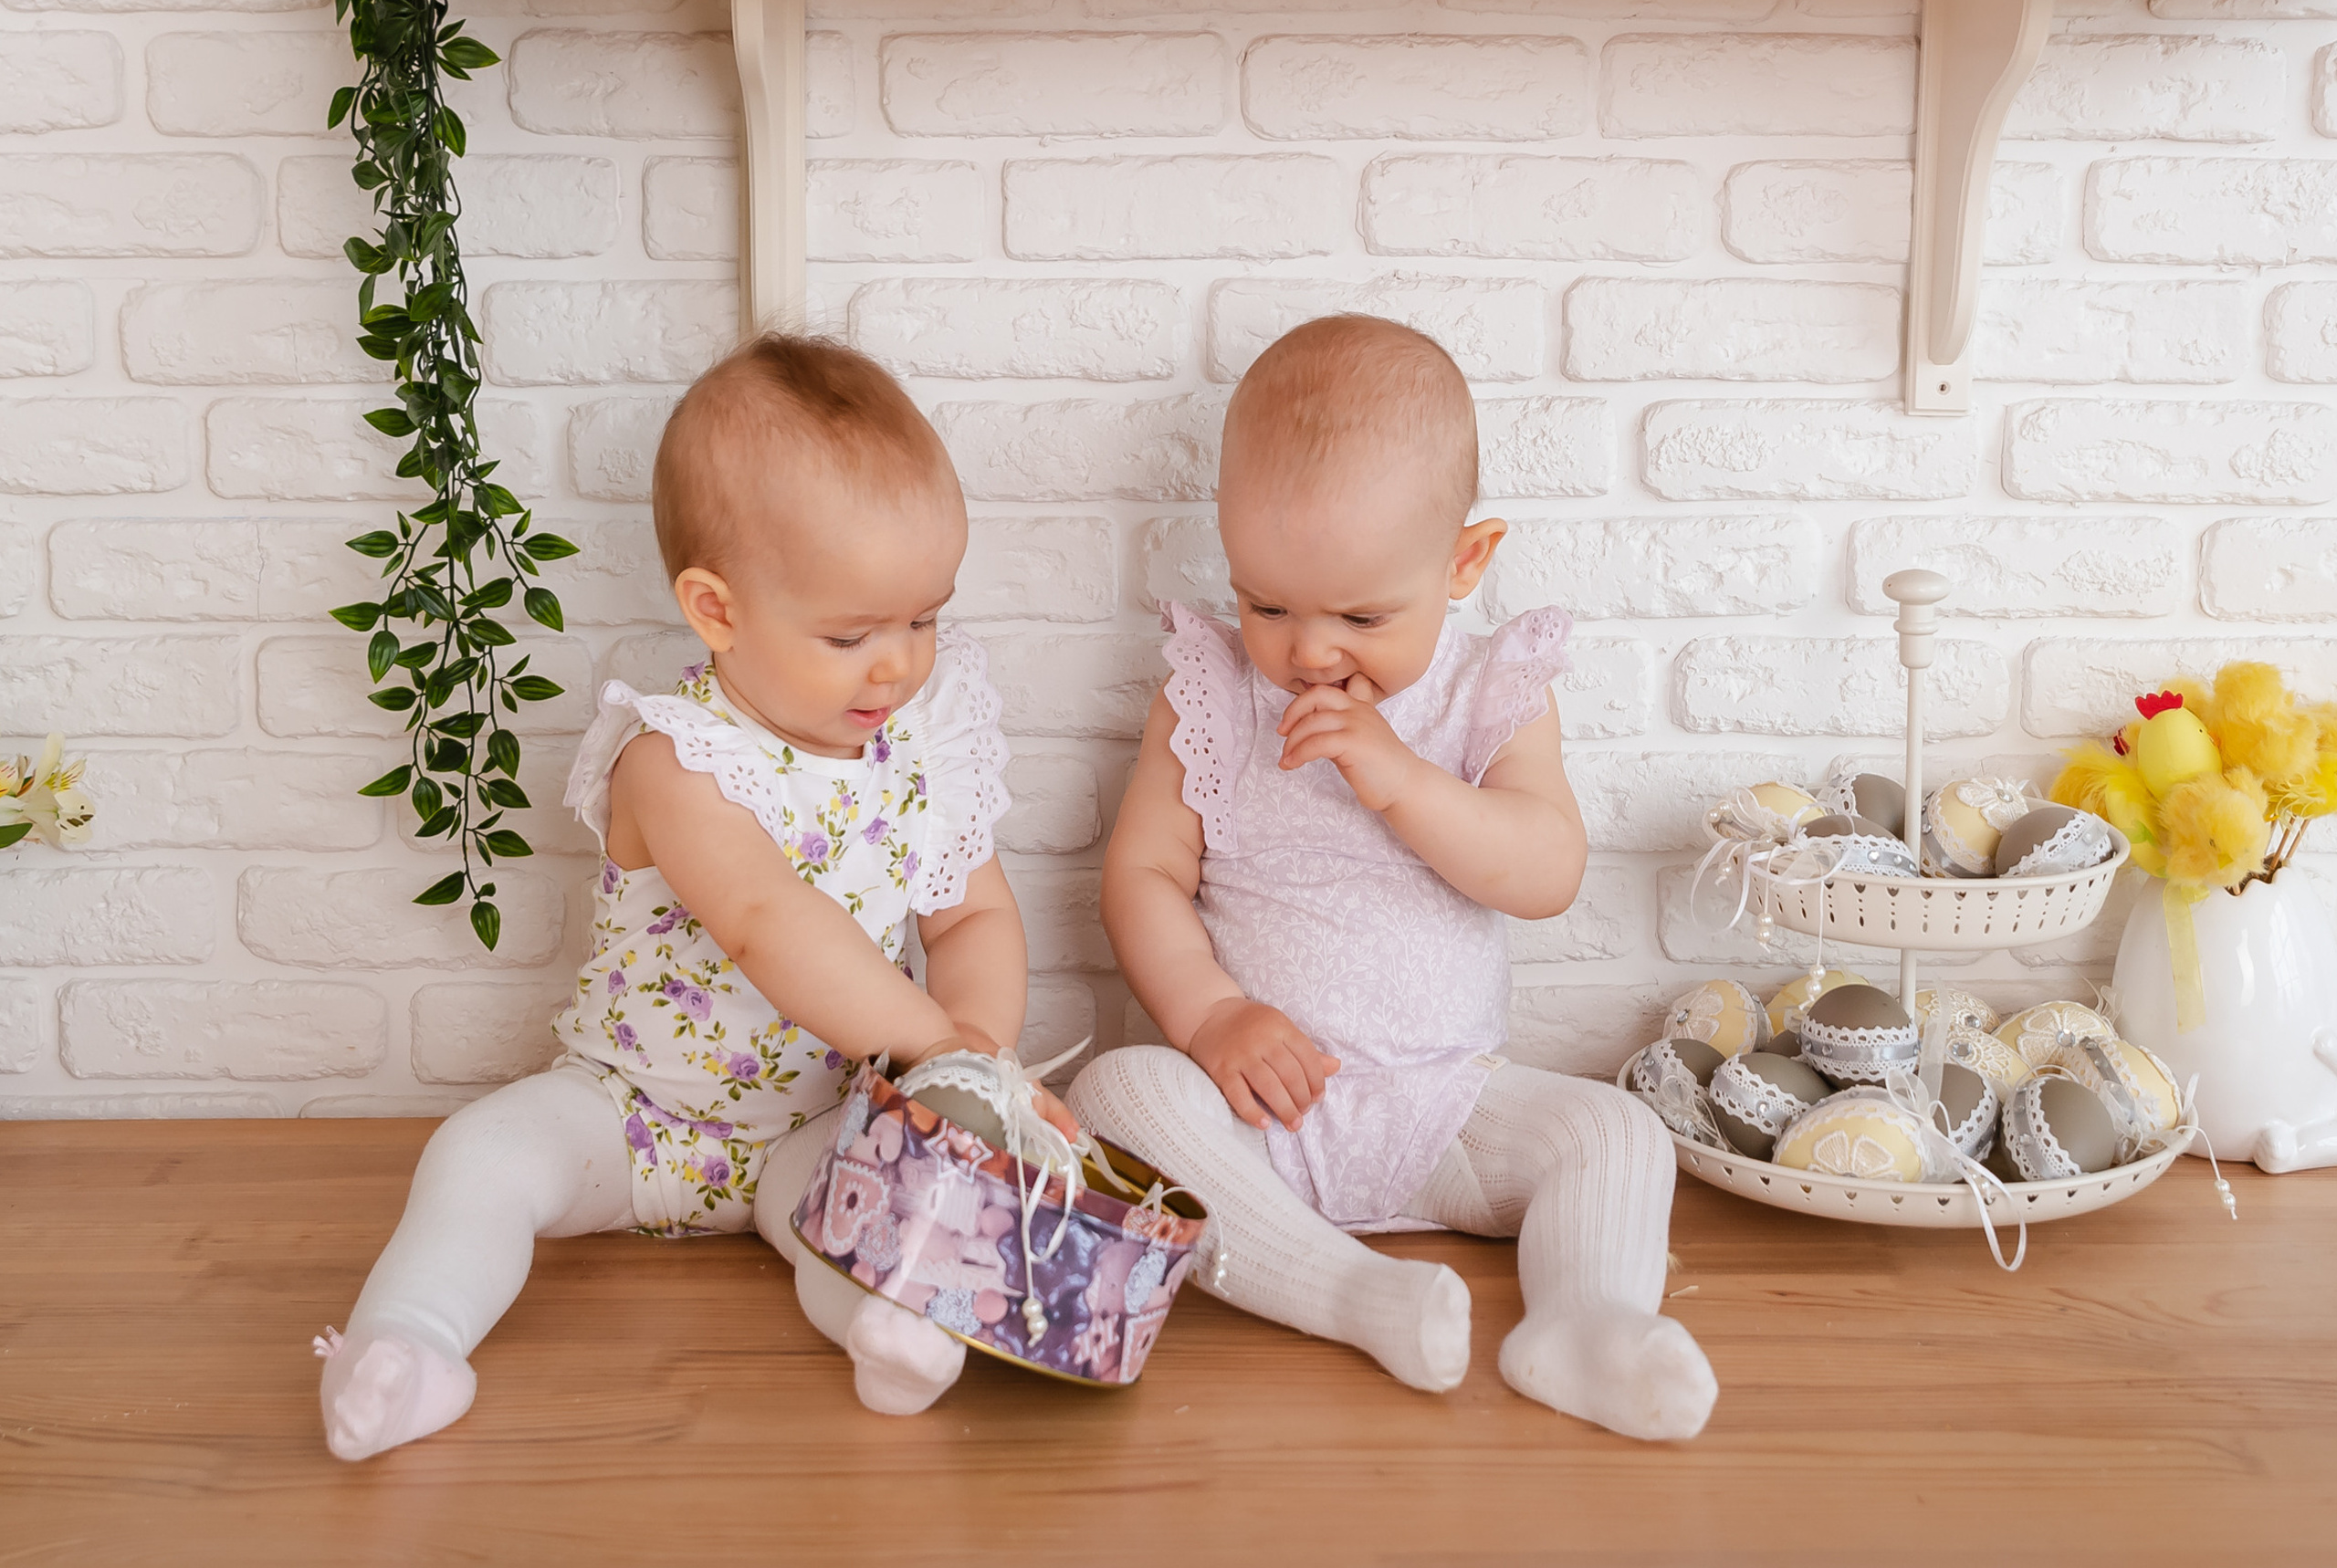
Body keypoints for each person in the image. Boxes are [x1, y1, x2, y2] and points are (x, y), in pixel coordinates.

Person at [318, 333, 1042, 1458]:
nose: (897, 664)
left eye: (923, 618)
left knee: (862, 1215)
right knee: (482, 1152)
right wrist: (936, 1039)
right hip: (628, 1111)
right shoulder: (674, 758)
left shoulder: (919, 751)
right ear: (716, 609)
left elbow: (972, 914)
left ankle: (895, 1335)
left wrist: (971, 1059)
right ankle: (405, 1347)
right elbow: (765, 920)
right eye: (850, 634)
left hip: (817, 1121)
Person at [1069, 315, 1716, 1440]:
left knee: (1617, 1130)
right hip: (1256, 1118)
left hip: (1447, 1109)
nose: (1309, 651)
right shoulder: (1210, 693)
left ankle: (1587, 1323)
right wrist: (1209, 1014)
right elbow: (1144, 873)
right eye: (1267, 604)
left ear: (1463, 562)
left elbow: (1546, 869)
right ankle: (1350, 1293)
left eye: (1362, 615)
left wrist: (1404, 780)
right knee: (1116, 1098)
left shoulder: (1486, 692)